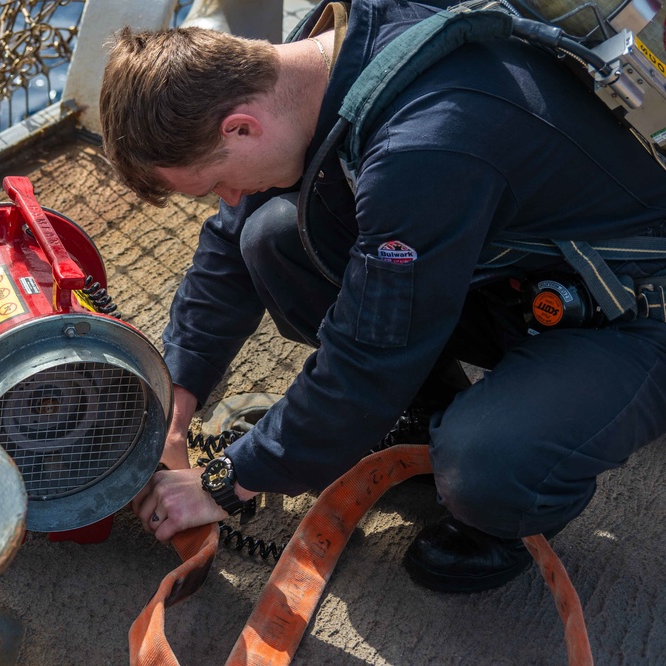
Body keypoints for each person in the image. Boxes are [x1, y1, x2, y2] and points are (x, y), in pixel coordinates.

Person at [98, 0, 666, 593]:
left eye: (217, 181)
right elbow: (231, 236)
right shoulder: (314, 54)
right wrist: (175, 399)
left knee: (482, 463)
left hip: (627, 310)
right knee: (270, 235)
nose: (228, 195)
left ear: (241, 125)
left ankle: (508, 518)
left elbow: (370, 354)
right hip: (516, 261)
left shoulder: (421, 149)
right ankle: (420, 413)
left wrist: (228, 478)